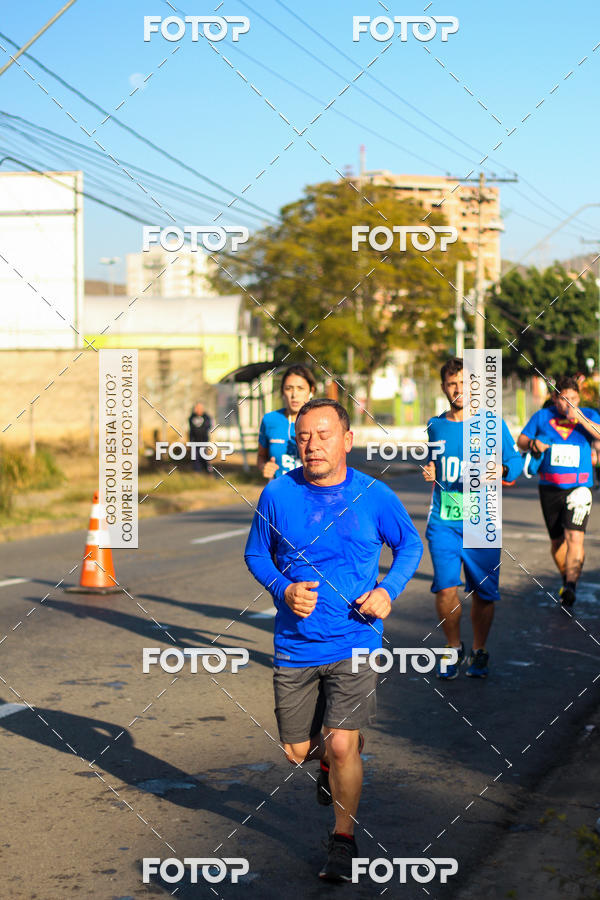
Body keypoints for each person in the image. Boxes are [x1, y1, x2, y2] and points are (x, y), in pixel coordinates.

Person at [244, 398, 422, 882]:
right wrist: (284, 588)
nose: (312, 445)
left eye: (323, 435)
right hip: (297, 644)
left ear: (346, 440)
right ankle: (328, 761)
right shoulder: (277, 495)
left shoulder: (375, 496)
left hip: (357, 639)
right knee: (298, 752)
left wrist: (388, 590)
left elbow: (410, 545)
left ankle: (343, 839)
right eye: (303, 436)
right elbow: (257, 555)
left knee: (344, 745)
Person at [423, 357, 524, 679]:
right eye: (452, 383)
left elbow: (515, 462)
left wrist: (503, 469)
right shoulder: (435, 425)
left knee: (483, 592)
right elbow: (433, 462)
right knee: (445, 588)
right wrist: (430, 470)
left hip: (482, 521)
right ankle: (453, 649)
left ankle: (479, 649)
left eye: (465, 383)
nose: (458, 389)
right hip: (444, 521)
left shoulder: (492, 424)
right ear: (443, 387)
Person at [517, 375, 600, 607]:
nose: (569, 404)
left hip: (579, 486)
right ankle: (567, 578)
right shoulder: (542, 416)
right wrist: (534, 444)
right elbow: (521, 441)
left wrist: (580, 418)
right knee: (556, 542)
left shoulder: (589, 415)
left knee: (575, 536)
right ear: (555, 398)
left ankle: (571, 586)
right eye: (565, 400)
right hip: (549, 488)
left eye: (574, 398)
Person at [256, 364, 316, 479]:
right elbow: (261, 456)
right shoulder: (270, 420)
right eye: (288, 388)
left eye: (300, 388)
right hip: (279, 493)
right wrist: (264, 466)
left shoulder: (321, 421)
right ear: (283, 392)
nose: (294, 395)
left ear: (311, 390)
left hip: (312, 493)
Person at [188, 402, 213, 474]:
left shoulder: (206, 417)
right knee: (195, 458)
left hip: (203, 441)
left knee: (204, 457)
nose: (198, 410)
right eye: (197, 408)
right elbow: (192, 429)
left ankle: (208, 472)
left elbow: (207, 427)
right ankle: (197, 473)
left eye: (199, 408)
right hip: (194, 441)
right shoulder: (192, 417)